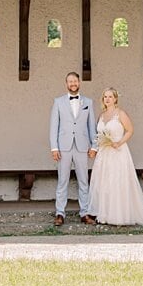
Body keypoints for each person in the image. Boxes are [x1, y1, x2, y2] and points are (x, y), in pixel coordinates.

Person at [89, 87, 143, 226]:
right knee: (105, 183)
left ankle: (119, 215)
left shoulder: (120, 114)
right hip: (104, 153)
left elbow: (130, 130)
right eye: (105, 97)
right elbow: (99, 135)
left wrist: (119, 142)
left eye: (110, 97)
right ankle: (105, 214)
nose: (107, 99)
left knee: (117, 182)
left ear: (115, 99)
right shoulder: (102, 115)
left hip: (118, 152)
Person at [48, 71, 98, 226]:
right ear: (66, 84)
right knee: (62, 181)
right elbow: (53, 126)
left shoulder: (88, 102)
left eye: (75, 81)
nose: (73, 84)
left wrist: (94, 146)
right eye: (70, 81)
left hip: (82, 146)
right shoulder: (58, 102)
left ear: (79, 82)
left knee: (84, 181)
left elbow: (92, 126)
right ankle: (60, 213)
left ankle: (85, 213)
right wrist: (54, 147)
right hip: (63, 147)